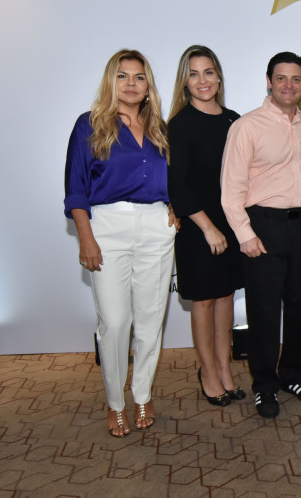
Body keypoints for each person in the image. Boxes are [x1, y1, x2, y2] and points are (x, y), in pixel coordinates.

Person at [64, 49, 177, 437]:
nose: (131, 84)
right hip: (107, 227)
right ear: (111, 81)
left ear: (148, 86)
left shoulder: (161, 127)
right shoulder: (89, 125)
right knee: (114, 323)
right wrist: (86, 237)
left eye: (139, 77)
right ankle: (115, 402)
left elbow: (178, 177)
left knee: (150, 320)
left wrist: (175, 206)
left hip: (157, 228)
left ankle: (142, 393)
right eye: (123, 76)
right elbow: (76, 189)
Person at [221, 52, 301, 418]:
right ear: (269, 81)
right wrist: (245, 234)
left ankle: (292, 373)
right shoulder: (247, 126)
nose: (289, 85)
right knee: (263, 310)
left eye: (296, 79)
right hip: (262, 225)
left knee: (299, 305)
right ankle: (264, 385)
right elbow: (230, 188)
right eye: (281, 78)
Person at [167, 45, 246, 407]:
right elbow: (177, 184)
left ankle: (226, 369)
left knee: (226, 296)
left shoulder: (234, 120)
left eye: (209, 72)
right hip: (199, 227)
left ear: (219, 76)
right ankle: (208, 372)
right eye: (194, 73)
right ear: (185, 80)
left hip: (230, 221)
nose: (203, 81)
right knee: (204, 301)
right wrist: (208, 228)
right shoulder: (180, 124)